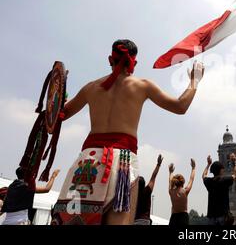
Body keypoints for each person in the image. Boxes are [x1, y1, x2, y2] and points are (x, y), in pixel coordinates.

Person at [52, 39, 205, 225]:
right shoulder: (143, 85)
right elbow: (180, 106)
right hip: (122, 162)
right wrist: (195, 80)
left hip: (86, 162)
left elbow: (58, 116)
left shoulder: (90, 87)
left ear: (110, 59)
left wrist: (59, 94)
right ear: (134, 62)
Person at [202, 155, 236, 225]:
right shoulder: (225, 180)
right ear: (221, 170)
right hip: (223, 215)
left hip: (211, 216)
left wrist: (208, 164)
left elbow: (203, 175)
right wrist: (234, 163)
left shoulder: (209, 181)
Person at [134, 154, 163, 225]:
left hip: (136, 220)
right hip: (145, 220)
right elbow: (153, 177)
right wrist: (158, 164)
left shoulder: (134, 194)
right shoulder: (147, 190)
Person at [168, 159, 196, 227]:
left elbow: (170, 181)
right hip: (183, 217)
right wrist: (193, 168)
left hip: (174, 217)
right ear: (183, 182)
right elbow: (191, 179)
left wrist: (171, 172)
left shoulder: (171, 191)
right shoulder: (185, 191)